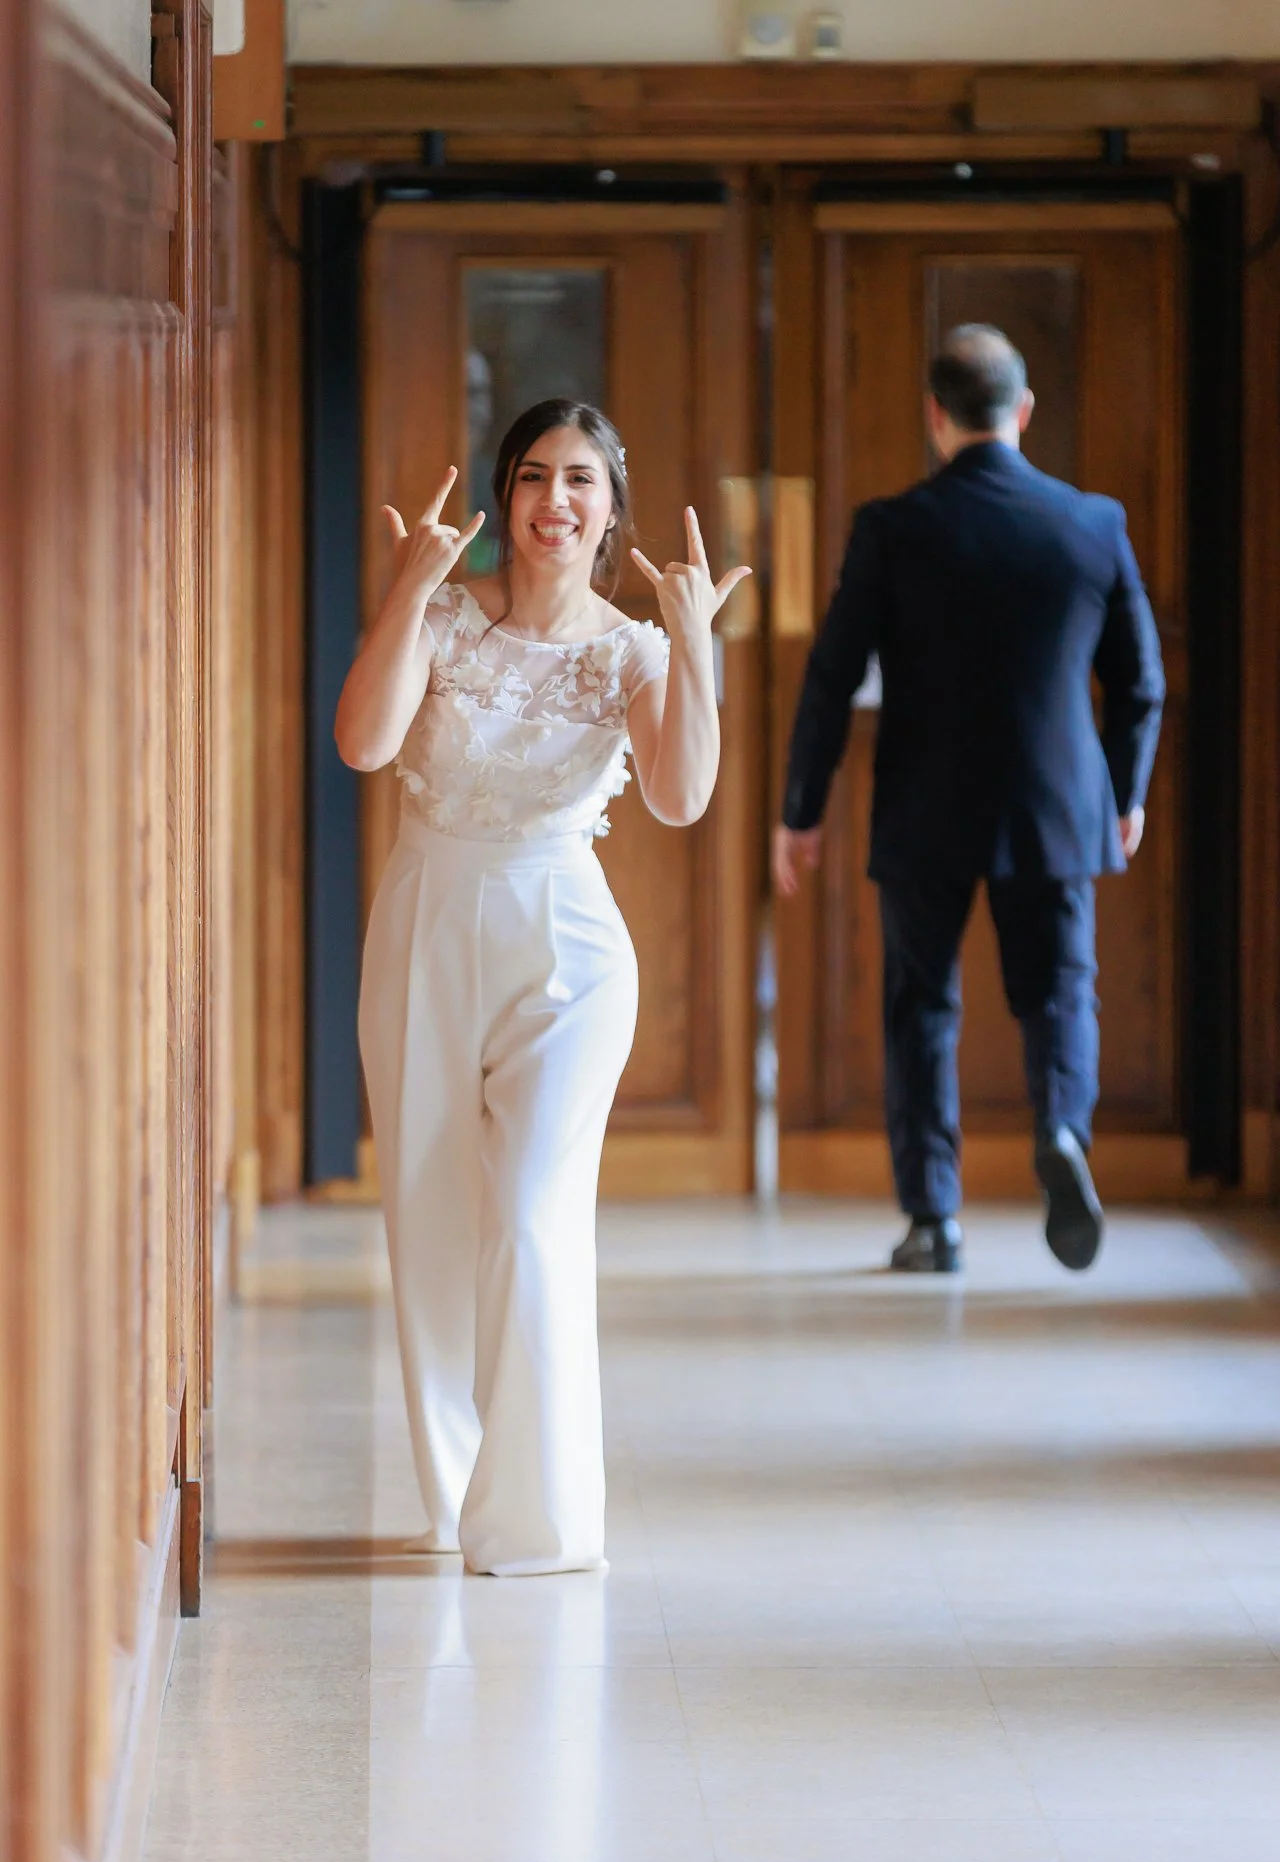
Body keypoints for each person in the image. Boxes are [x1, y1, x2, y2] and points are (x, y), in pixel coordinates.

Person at [336, 398, 749, 1574]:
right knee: (428, 1220)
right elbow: (363, 744)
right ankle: (455, 1491)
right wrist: (407, 591)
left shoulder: (630, 648)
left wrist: (694, 649)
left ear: (608, 508)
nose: (552, 501)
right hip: (424, 918)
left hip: (566, 942)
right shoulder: (449, 620)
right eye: (530, 476)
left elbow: (678, 797)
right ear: (502, 498)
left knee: (527, 1214)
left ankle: (541, 1520)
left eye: (578, 480)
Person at [774, 325, 1165, 1276]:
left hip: (924, 804)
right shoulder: (1092, 524)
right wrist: (1126, 788)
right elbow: (1141, 680)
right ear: (1024, 411)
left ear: (934, 416)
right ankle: (1064, 1129)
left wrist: (802, 808)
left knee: (921, 1007)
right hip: (1059, 804)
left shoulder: (891, 528)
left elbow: (830, 677)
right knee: (1061, 987)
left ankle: (932, 1220)